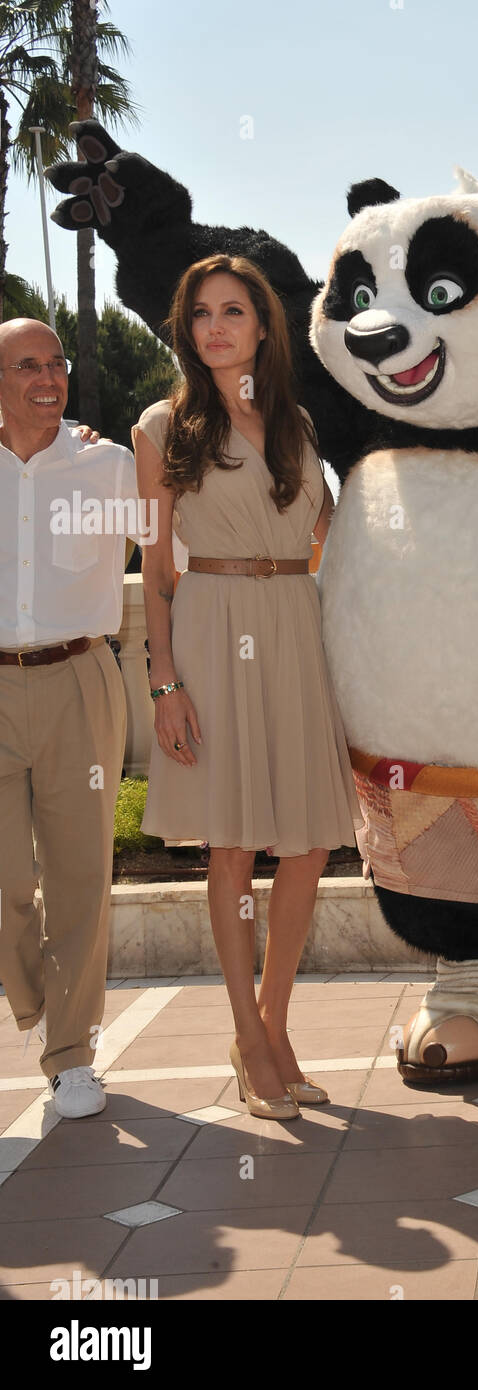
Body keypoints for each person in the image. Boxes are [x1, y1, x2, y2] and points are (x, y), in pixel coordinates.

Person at [134, 254, 362, 1120]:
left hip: (293, 625)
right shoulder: (162, 425)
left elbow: (333, 532)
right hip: (212, 623)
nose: (217, 326)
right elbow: (155, 568)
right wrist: (165, 683)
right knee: (232, 845)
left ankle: (271, 1028)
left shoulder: (297, 425)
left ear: (265, 326)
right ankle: (245, 1029)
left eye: (235, 311)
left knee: (305, 843)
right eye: (201, 313)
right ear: (187, 330)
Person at [0, 318, 136, 1118]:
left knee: (83, 874)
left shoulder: (109, 464)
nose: (48, 379)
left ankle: (72, 1052)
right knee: (7, 880)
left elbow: (173, 561)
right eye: (27, 366)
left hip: (81, 676)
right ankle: (34, 1000)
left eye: (57, 363)